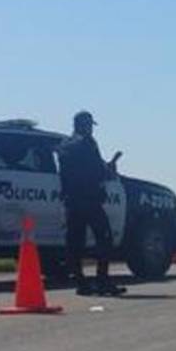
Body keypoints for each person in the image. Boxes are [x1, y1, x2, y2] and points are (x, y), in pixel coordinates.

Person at [58, 110, 125, 296]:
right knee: (105, 239)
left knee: (74, 243)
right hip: (89, 199)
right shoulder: (87, 143)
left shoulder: (64, 145)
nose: (91, 130)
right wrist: (110, 169)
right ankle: (102, 281)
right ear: (84, 125)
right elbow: (96, 170)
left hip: (71, 201)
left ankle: (81, 283)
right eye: (89, 125)